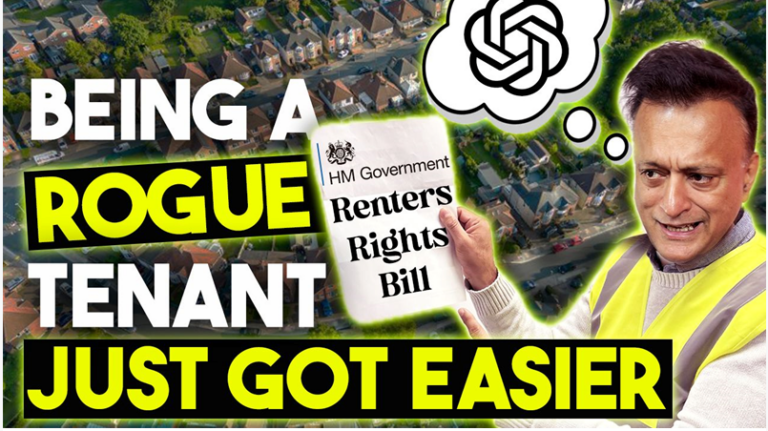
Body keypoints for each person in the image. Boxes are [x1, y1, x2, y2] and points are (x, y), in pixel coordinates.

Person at [439, 41, 765, 428]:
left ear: (747, 175)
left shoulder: (758, 313)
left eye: (700, 177)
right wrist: (486, 277)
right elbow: (553, 378)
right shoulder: (626, 264)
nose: (672, 204)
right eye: (653, 173)